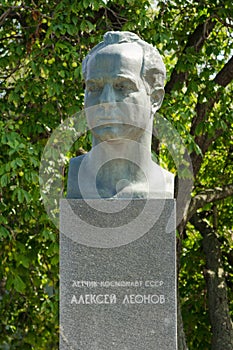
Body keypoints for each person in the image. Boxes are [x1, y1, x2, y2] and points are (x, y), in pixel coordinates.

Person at [67, 31, 174, 199]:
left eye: (122, 87)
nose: (105, 101)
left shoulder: (162, 188)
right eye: (94, 88)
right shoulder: (75, 179)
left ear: (155, 99)